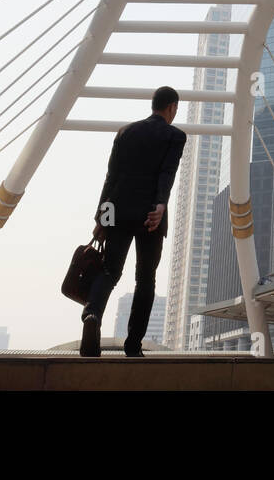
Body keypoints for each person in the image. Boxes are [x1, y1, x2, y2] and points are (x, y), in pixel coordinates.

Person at [81, 86, 186, 358]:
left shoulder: (125, 132)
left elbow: (111, 177)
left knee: (109, 271)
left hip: (117, 211)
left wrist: (102, 218)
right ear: (172, 107)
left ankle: (92, 314)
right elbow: (167, 173)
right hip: (151, 215)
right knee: (145, 280)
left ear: (153, 105)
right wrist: (161, 204)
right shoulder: (175, 136)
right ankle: (133, 345)